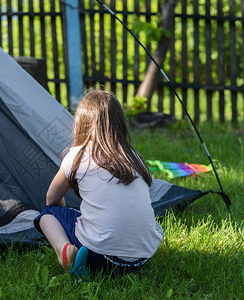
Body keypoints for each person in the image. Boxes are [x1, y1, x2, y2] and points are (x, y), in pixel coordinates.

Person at [34, 90, 163, 277]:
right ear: (120, 124)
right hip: (143, 258)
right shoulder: (134, 157)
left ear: (82, 124)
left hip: (101, 257)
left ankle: (65, 253)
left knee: (46, 216)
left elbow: (51, 198)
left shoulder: (77, 155)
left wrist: (60, 216)